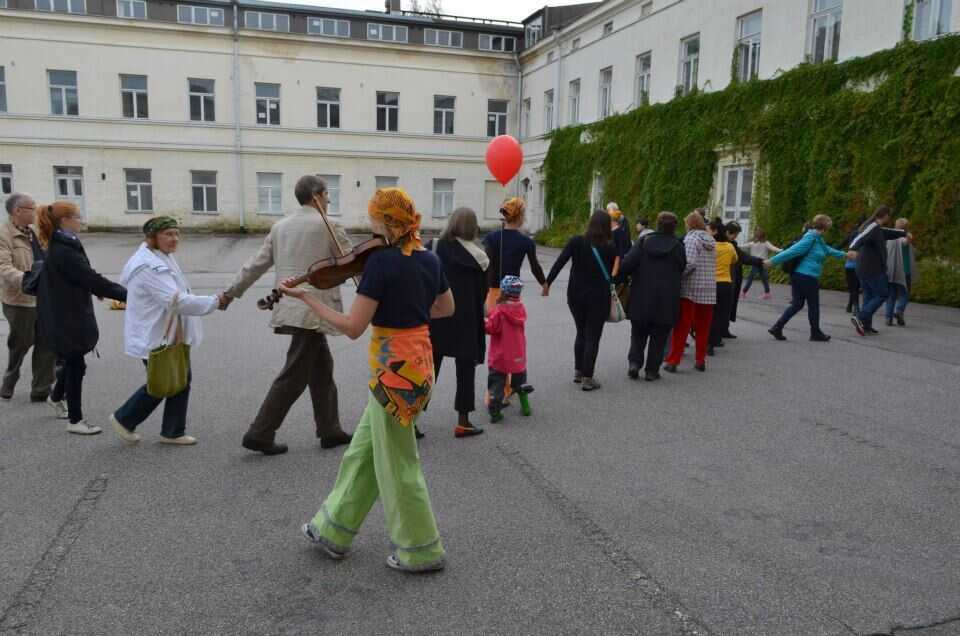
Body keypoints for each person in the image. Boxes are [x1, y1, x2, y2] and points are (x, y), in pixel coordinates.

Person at [293, 187, 454, 574]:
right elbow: (445, 308)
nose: (369, 223)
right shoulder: (429, 258)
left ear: (383, 221)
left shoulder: (381, 264)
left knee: (398, 464)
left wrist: (310, 300)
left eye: (372, 217)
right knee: (363, 452)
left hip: (392, 374)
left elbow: (352, 327)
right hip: (419, 366)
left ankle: (421, 551)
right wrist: (411, 310)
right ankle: (332, 528)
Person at [223, 175, 353, 456]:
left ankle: (330, 430)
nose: (329, 199)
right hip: (312, 310)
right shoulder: (329, 226)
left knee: (322, 370)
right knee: (294, 375)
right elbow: (352, 264)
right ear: (317, 195)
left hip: (291, 307)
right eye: (327, 194)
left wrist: (231, 292)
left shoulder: (280, 227)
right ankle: (260, 433)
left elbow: (255, 265)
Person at [109, 217, 224, 446]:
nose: (175, 239)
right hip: (156, 334)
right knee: (163, 382)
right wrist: (215, 301)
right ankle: (124, 419)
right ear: (152, 238)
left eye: (177, 233)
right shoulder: (148, 266)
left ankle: (172, 431)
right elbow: (176, 301)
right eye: (168, 234)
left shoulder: (159, 256)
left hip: (168, 331)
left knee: (179, 379)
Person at [36, 201, 127, 435]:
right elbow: (91, 278)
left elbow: (81, 277)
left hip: (67, 310)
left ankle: (56, 397)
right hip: (66, 315)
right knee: (76, 363)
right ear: (64, 221)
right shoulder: (64, 249)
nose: (81, 220)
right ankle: (75, 420)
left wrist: (95, 288)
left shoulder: (65, 242)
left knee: (73, 360)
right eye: (77, 216)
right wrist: (128, 295)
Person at [427, 207, 488, 438]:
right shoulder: (480, 257)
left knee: (429, 370)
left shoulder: (434, 247)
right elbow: (482, 293)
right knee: (465, 371)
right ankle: (463, 422)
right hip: (467, 320)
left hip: (437, 316)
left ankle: (411, 420)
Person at [543, 209, 618, 391]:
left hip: (575, 295)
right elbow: (614, 273)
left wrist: (547, 283)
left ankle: (578, 371)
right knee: (593, 336)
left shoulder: (576, 241)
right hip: (598, 297)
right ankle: (587, 377)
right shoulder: (610, 247)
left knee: (581, 332)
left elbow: (560, 261)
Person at [616, 212, 686, 381]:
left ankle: (634, 363)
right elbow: (682, 268)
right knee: (660, 337)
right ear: (674, 227)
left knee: (638, 334)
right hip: (667, 299)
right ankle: (652, 370)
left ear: (658, 224)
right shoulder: (678, 246)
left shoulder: (643, 242)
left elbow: (626, 264)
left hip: (641, 295)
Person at [0, 193, 57, 403]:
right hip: (20, 300)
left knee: (47, 342)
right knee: (21, 343)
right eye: (32, 208)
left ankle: (41, 389)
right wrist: (28, 281)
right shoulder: (4, 235)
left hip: (44, 297)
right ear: (18, 211)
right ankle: (10, 377)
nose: (36, 211)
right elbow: (3, 267)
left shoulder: (36, 232)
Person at [766, 214, 853, 342]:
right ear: (825, 228)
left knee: (797, 304)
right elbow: (792, 251)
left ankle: (777, 328)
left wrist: (844, 254)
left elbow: (828, 250)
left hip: (800, 276)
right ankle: (815, 333)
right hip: (807, 276)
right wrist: (772, 261)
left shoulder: (818, 239)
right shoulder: (810, 238)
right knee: (813, 306)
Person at [662, 212, 716, 373]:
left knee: (682, 326)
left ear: (690, 224)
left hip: (691, 288)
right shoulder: (711, 240)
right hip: (708, 289)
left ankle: (673, 361)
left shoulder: (691, 239)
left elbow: (690, 263)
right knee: (703, 327)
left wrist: (678, 276)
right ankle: (700, 360)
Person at [849, 205, 907, 336]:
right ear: (885, 215)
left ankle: (866, 325)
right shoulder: (872, 227)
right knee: (882, 294)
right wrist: (852, 248)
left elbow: (889, 232)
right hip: (872, 269)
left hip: (864, 268)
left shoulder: (877, 229)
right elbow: (858, 237)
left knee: (869, 296)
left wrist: (904, 233)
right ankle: (860, 317)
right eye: (889, 215)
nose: (889, 218)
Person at [482, 197, 546, 309]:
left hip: (492, 291)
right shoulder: (527, 241)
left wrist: (483, 291)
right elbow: (535, 267)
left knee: (492, 319)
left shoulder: (491, 238)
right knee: (511, 319)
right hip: (512, 292)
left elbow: (487, 266)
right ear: (520, 216)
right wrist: (544, 284)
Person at [485, 275, 532, 421]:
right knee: (520, 382)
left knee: (497, 383)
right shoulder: (521, 308)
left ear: (503, 292)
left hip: (501, 356)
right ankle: (526, 408)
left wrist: (482, 321)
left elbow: (491, 328)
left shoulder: (500, 311)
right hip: (518, 354)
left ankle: (495, 413)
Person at [725, 221, 764, 334]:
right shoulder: (724, 244)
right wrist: (760, 262)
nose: (736, 237)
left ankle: (725, 328)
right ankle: (720, 330)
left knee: (731, 302)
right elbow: (744, 257)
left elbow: (744, 257)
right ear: (727, 232)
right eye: (735, 234)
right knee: (726, 303)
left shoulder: (732, 244)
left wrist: (759, 261)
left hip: (734, 275)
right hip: (726, 277)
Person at [706, 219, 738, 355]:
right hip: (725, 284)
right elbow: (735, 260)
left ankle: (707, 343)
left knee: (709, 313)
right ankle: (716, 340)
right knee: (720, 314)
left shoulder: (710, 246)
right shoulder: (730, 247)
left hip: (710, 282)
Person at [884, 218, 917, 327]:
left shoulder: (889, 238)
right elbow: (905, 242)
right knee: (905, 295)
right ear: (906, 227)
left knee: (891, 296)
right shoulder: (902, 237)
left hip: (890, 271)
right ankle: (899, 311)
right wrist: (909, 237)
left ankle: (888, 318)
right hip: (904, 272)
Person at [740, 228, 781, 300]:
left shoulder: (752, 243)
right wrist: (783, 250)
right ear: (764, 236)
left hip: (755, 262)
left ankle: (743, 293)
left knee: (751, 278)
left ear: (756, 236)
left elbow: (742, 246)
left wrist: (733, 244)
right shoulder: (765, 243)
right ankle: (767, 294)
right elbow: (774, 249)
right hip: (763, 262)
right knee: (764, 279)